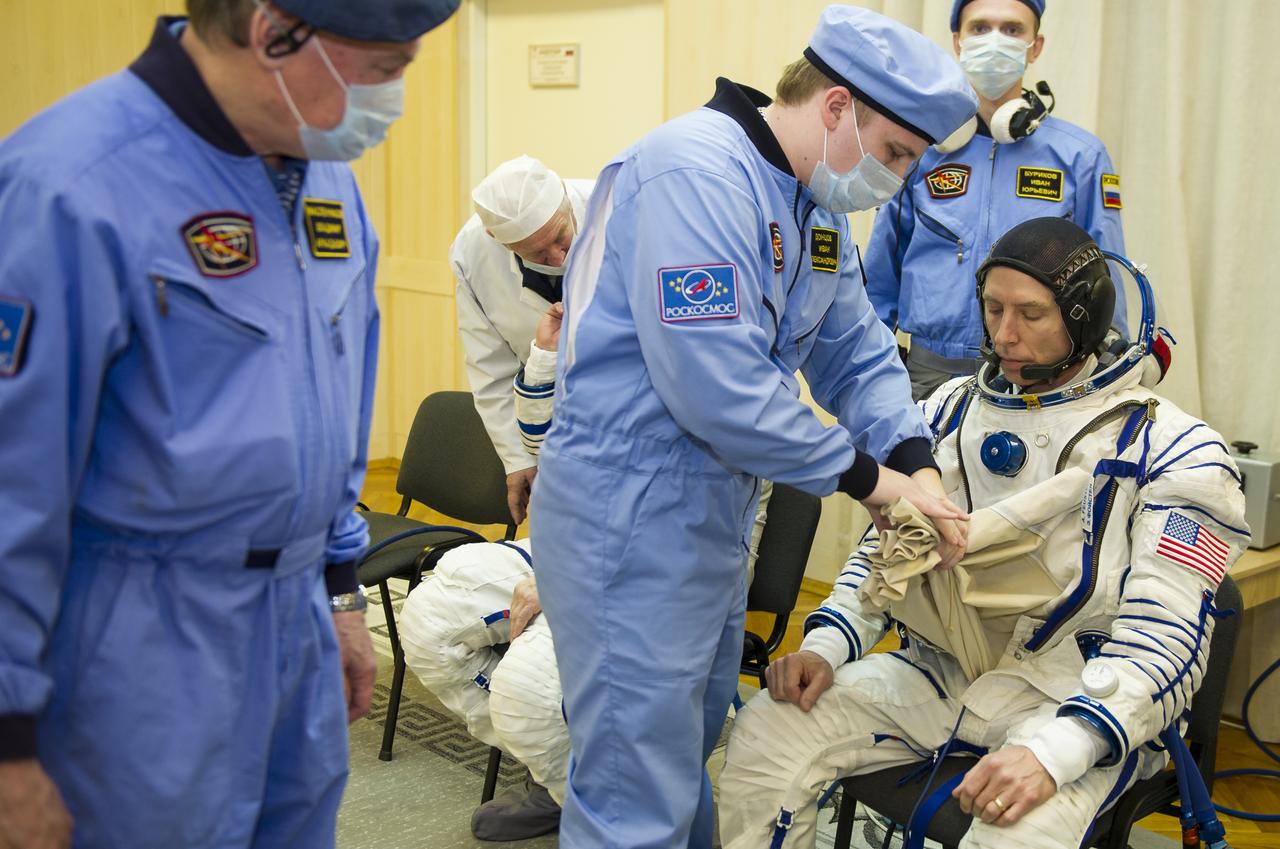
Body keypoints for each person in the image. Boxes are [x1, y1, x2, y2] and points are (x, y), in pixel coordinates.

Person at [0, 1, 459, 847]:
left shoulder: (326, 174)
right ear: (273, 31)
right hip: (136, 637)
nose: (396, 94)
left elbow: (335, 414)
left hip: (296, 622)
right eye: (386, 65)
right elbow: (9, 486)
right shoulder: (68, 182)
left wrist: (340, 591)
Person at [529, 6, 980, 847]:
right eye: (894, 154)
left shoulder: (812, 207)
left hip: (703, 529)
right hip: (625, 525)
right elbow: (717, 387)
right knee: (634, 795)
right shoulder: (693, 173)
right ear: (838, 108)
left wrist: (915, 462)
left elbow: (857, 354)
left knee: (681, 759)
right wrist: (869, 481)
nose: (896, 178)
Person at [718, 217, 1250, 849]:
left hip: (1078, 697)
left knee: (1012, 834)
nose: (1003, 334)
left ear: (1082, 318)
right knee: (766, 731)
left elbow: (1166, 642)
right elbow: (886, 556)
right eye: (993, 308)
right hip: (940, 675)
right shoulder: (944, 413)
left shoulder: (1174, 450)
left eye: (1029, 314)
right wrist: (826, 648)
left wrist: (1058, 751)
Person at [402, 299, 774, 840]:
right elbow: (548, 457)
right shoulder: (616, 359)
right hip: (570, 548)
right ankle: (562, 778)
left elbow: (671, 539)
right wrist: (547, 360)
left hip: (654, 582)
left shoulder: (724, 399)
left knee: (525, 690)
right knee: (429, 618)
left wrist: (558, 577)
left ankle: (594, 794)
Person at [862, 0, 1128, 400]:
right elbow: (881, 271)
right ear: (958, 40)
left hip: (1039, 376)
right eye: (980, 27)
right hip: (928, 373)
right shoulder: (920, 148)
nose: (995, 41)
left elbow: (1106, 269)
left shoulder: (1080, 157)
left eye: (1013, 29)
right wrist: (869, 364)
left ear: (1035, 46)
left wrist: (1108, 363)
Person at [452, 156, 593, 524]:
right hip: (547, 426)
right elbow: (490, 369)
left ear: (564, 197)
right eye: (537, 253)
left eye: (561, 237)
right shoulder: (472, 253)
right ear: (496, 239)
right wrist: (518, 459)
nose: (558, 256)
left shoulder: (615, 208)